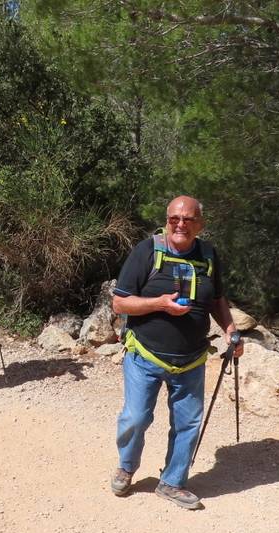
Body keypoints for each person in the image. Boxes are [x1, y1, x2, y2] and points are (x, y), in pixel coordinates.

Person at [110, 195, 243, 510]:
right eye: (174, 219)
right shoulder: (146, 252)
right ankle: (127, 466)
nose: (181, 224)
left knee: (187, 423)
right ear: (167, 220)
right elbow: (120, 302)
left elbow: (217, 299)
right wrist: (159, 304)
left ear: (201, 223)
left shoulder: (209, 255)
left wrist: (230, 329)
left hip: (192, 359)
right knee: (136, 417)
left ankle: (172, 482)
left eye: (189, 219)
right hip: (145, 354)